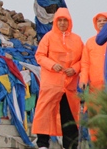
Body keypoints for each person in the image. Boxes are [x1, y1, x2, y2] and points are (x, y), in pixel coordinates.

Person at [32, 9, 83, 149]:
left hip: (69, 86)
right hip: (51, 84)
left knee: (70, 116)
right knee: (45, 114)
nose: (62, 23)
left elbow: (83, 60)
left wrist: (75, 69)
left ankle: (71, 145)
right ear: (55, 21)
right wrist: (52, 65)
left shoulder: (77, 40)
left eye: (65, 20)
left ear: (69, 22)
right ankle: (42, 144)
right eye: (59, 20)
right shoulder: (48, 37)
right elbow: (40, 56)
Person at [80, 12, 107, 141]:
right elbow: (85, 64)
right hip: (94, 90)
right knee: (93, 122)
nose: (102, 23)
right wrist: (83, 80)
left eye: (105, 20)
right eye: (99, 21)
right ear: (95, 24)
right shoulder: (90, 42)